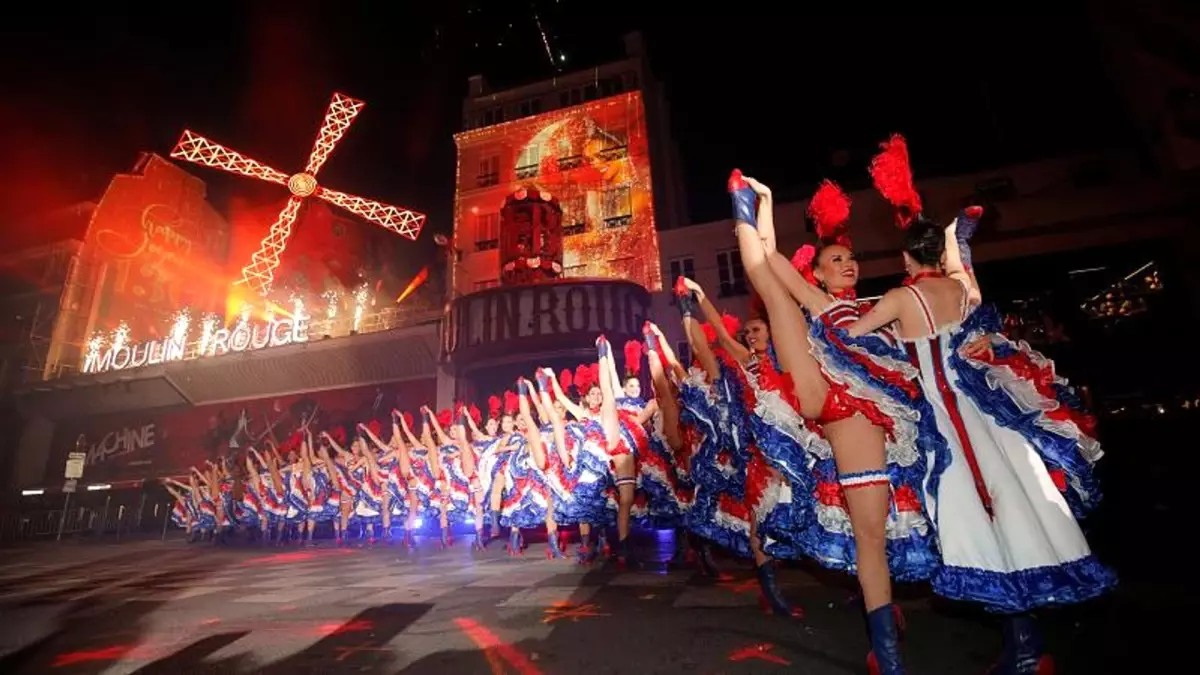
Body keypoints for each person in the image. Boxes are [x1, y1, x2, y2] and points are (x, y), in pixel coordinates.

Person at [843, 134, 1115, 674]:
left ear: (903, 256)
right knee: (1015, 512)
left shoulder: (901, 296)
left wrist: (839, 319)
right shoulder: (959, 292)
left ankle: (1025, 650)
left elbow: (853, 333)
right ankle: (1027, 648)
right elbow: (972, 306)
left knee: (975, 520)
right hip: (987, 413)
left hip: (944, 420)